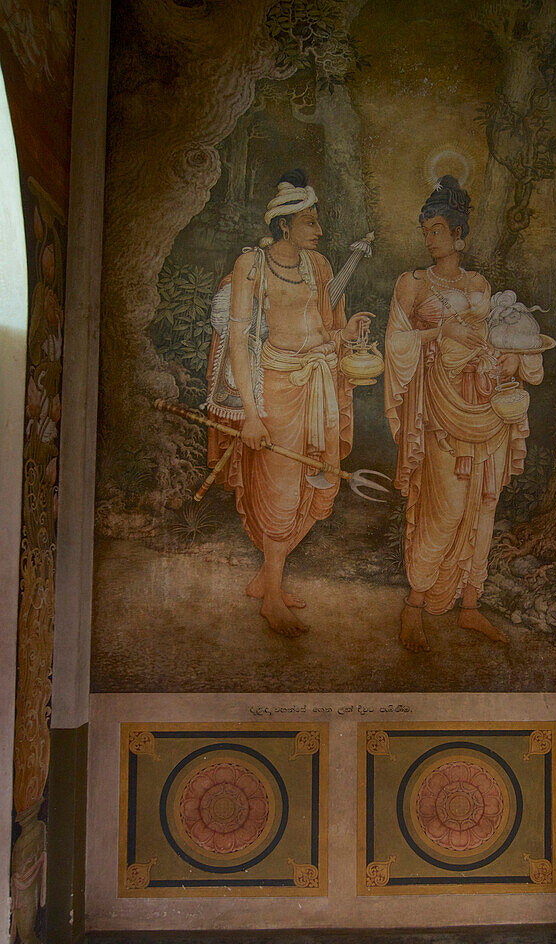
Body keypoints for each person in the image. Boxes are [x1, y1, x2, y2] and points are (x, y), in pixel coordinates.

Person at [206, 170, 372, 637]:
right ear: (285, 225)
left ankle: (268, 578)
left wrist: (346, 331)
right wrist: (253, 416)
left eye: (317, 223)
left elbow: (319, 330)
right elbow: (239, 341)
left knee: (312, 482)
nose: (319, 231)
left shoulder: (317, 266)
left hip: (318, 384)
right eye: (310, 222)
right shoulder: (251, 266)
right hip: (274, 390)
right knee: (279, 488)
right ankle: (273, 598)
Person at [384, 175, 544, 652]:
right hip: (439, 410)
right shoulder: (411, 283)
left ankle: (470, 604)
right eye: (426, 229)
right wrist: (441, 335)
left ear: (459, 235)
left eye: (437, 229)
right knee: (446, 508)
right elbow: (396, 344)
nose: (429, 237)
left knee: (484, 506)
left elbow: (497, 335)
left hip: (488, 407)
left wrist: (508, 357)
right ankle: (415, 607)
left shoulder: (479, 284)